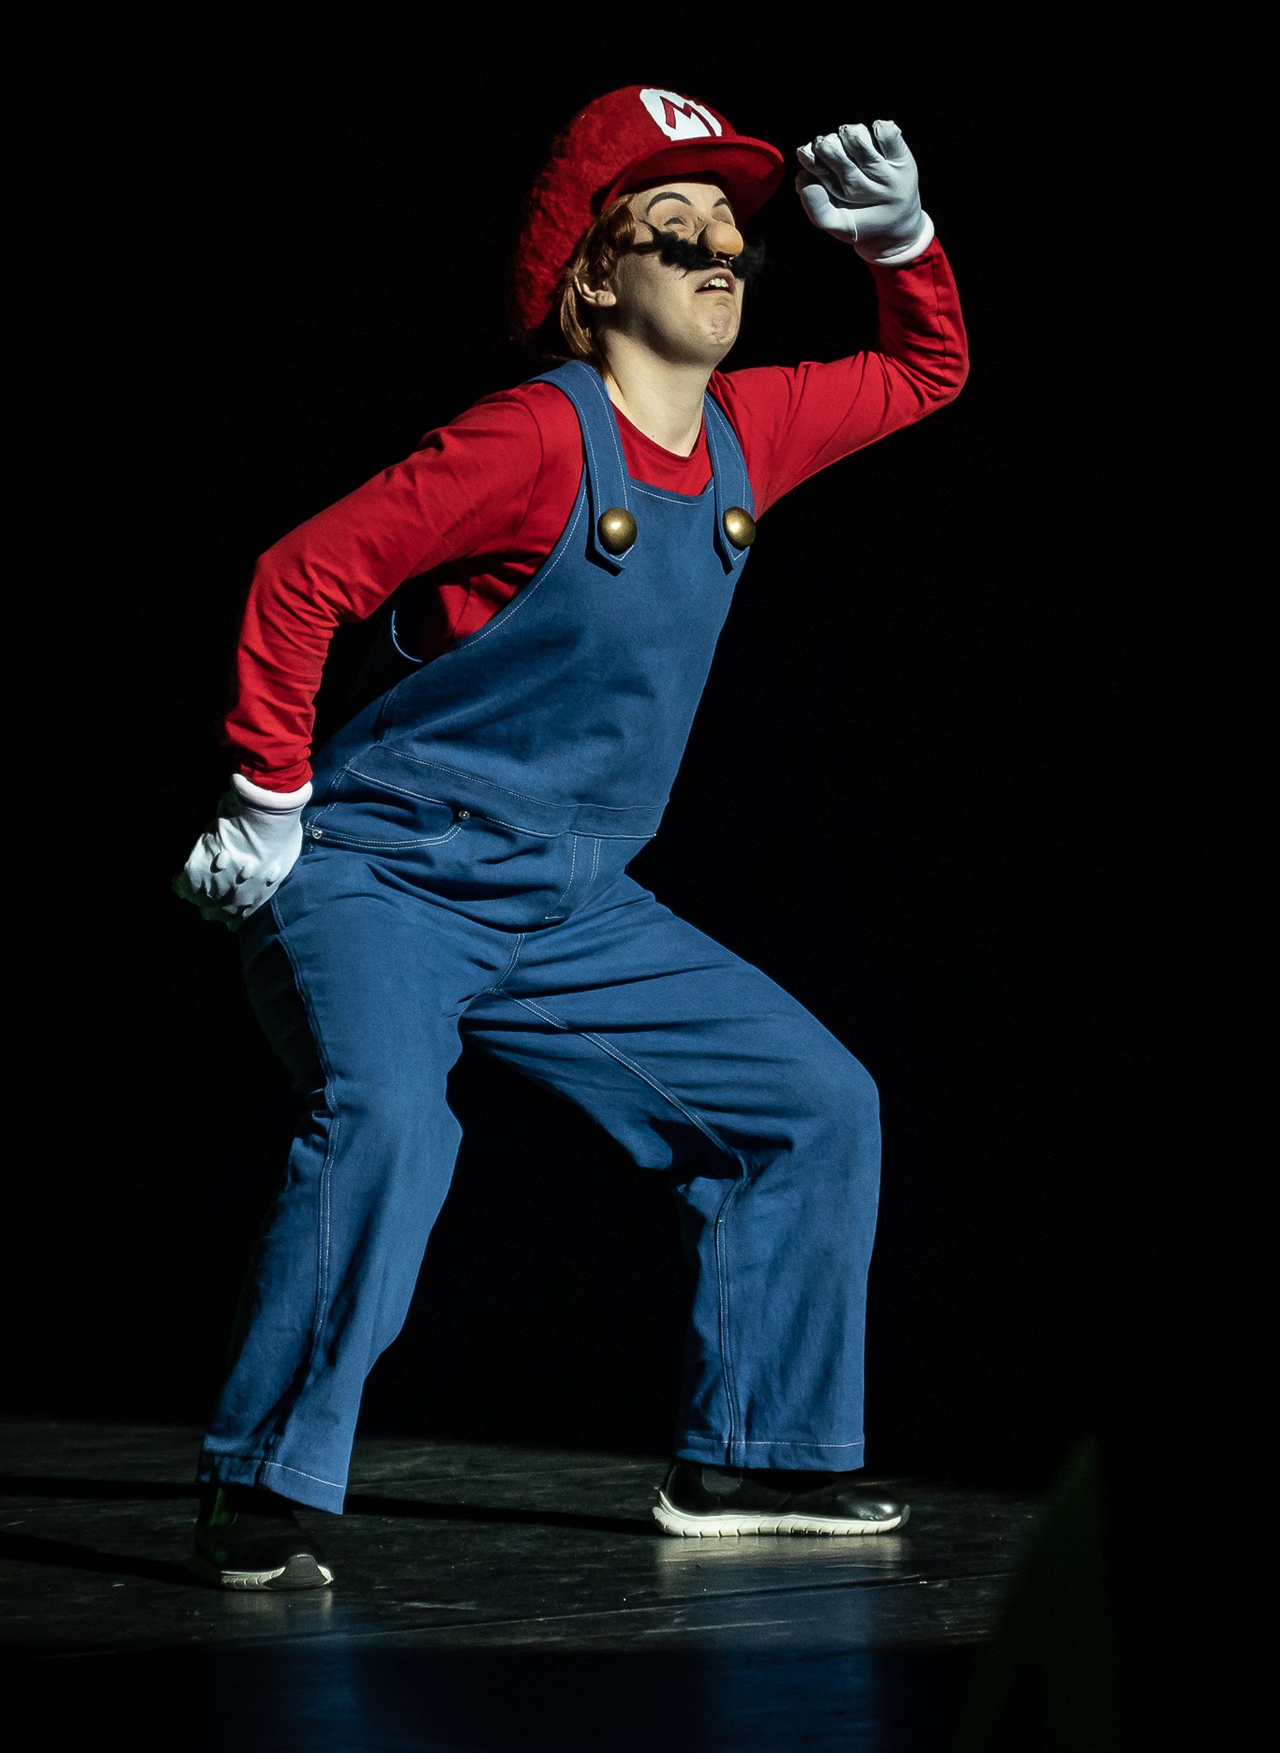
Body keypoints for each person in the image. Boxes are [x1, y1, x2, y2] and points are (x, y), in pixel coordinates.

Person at [175, 83, 969, 1590]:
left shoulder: (750, 433)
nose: (721, 252)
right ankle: (261, 1484)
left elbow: (927, 370)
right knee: (391, 1121)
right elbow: (301, 576)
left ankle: (753, 1454)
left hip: (574, 903)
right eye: (677, 230)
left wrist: (903, 245)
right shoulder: (530, 438)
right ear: (594, 282)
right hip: (386, 875)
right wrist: (265, 795)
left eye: (734, 233)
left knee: (814, 1104)